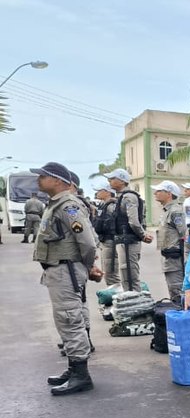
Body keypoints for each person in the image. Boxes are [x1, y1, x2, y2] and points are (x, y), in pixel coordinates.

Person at [31, 162, 101, 395]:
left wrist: (88, 266)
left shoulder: (69, 206)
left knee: (70, 319)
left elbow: (88, 242)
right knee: (66, 319)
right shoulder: (56, 204)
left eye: (43, 176)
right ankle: (73, 368)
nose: (38, 180)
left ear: (58, 180)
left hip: (66, 269)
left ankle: (81, 375)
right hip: (59, 269)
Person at [104, 168, 152, 292]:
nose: (109, 181)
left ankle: (135, 305)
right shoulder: (120, 197)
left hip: (129, 242)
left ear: (122, 181)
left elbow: (134, 221)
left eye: (113, 178)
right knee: (126, 276)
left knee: (130, 276)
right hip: (123, 241)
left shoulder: (129, 197)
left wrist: (143, 235)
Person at [153, 181, 187, 302]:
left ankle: (181, 315)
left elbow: (185, 234)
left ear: (169, 193)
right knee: (173, 289)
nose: (155, 193)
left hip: (175, 259)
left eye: (159, 191)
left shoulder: (176, 211)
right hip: (168, 257)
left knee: (177, 289)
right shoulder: (167, 210)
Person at [90, 181, 121, 287]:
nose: (97, 193)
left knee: (111, 274)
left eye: (99, 190)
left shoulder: (111, 206)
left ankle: (118, 298)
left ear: (107, 192)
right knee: (108, 273)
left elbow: (112, 225)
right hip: (105, 241)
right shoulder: (105, 205)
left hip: (110, 241)